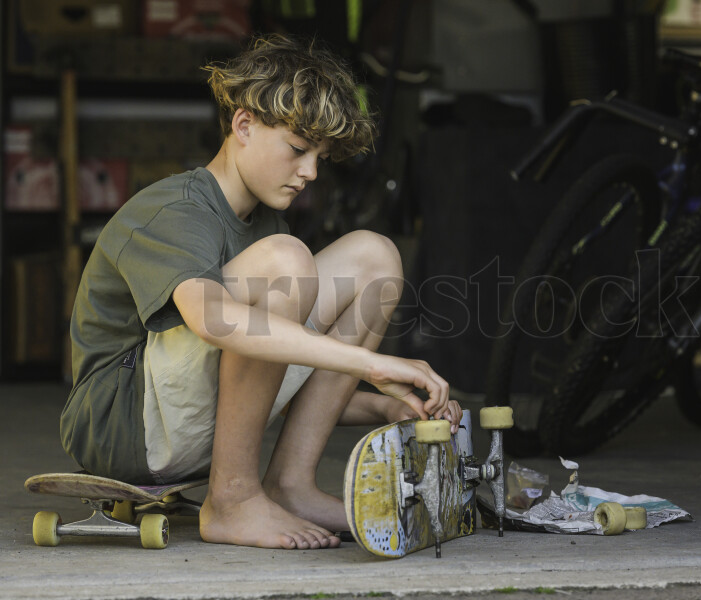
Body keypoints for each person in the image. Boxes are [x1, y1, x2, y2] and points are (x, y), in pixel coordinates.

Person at [60, 34, 461, 551]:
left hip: (183, 425)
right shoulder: (173, 209)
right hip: (122, 429)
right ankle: (230, 499)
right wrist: (371, 364)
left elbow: (258, 380)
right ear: (244, 124)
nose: (310, 173)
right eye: (297, 150)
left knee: (373, 256)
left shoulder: (267, 223)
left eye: (319, 157)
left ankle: (289, 485)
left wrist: (385, 406)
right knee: (286, 261)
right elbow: (212, 322)